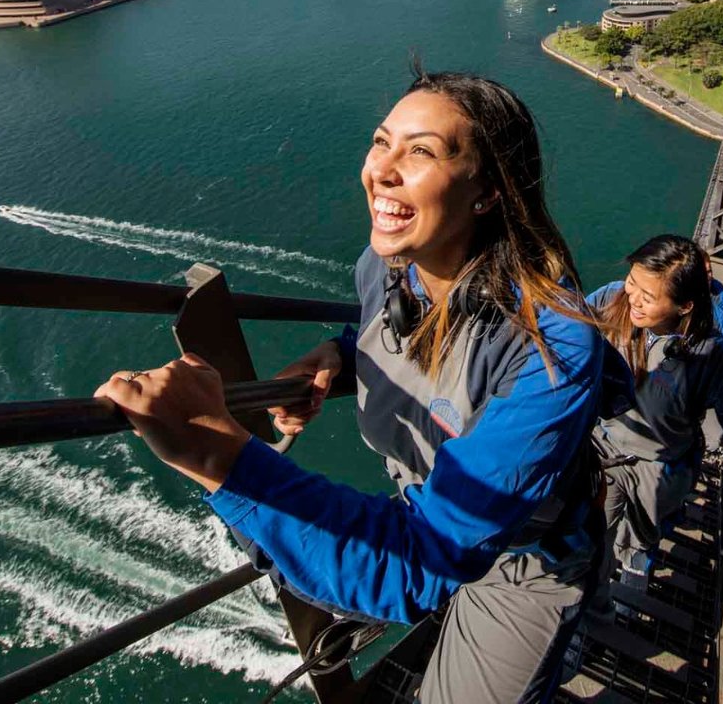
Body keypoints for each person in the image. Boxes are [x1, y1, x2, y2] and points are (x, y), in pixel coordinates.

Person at [96, 70, 628, 704]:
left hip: (524, 561)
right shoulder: (384, 267)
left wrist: (214, 450)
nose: (382, 169)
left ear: (487, 191)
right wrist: (340, 356)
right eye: (382, 141)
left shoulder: (554, 345)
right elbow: (399, 340)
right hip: (434, 513)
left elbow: (418, 561)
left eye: (422, 150)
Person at [586, 235, 723, 595]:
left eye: (648, 297)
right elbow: (565, 327)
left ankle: (633, 572)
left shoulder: (711, 352)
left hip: (659, 467)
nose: (632, 297)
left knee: (640, 538)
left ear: (684, 306)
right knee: (590, 536)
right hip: (605, 447)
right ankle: (594, 608)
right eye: (632, 282)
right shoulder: (612, 298)